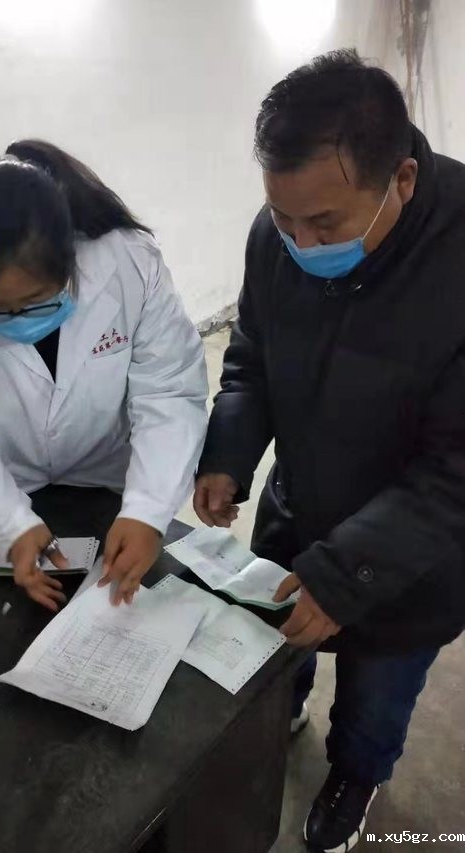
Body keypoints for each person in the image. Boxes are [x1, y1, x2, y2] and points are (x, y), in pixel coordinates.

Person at [194, 50, 465, 853]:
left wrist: (348, 573)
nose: (299, 242)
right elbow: (250, 353)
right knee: (276, 644)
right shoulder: (278, 232)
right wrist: (229, 450)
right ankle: (280, 712)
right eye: (282, 219)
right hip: (301, 504)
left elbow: (455, 473)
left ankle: (355, 774)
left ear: (400, 180)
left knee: (377, 692)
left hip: (412, 557)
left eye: (323, 225)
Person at [0, 139, 208, 611]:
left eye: (36, 300)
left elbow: (169, 391)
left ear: (70, 261)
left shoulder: (127, 261)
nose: (18, 319)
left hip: (108, 478)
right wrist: (8, 524)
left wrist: (148, 510)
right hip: (8, 482)